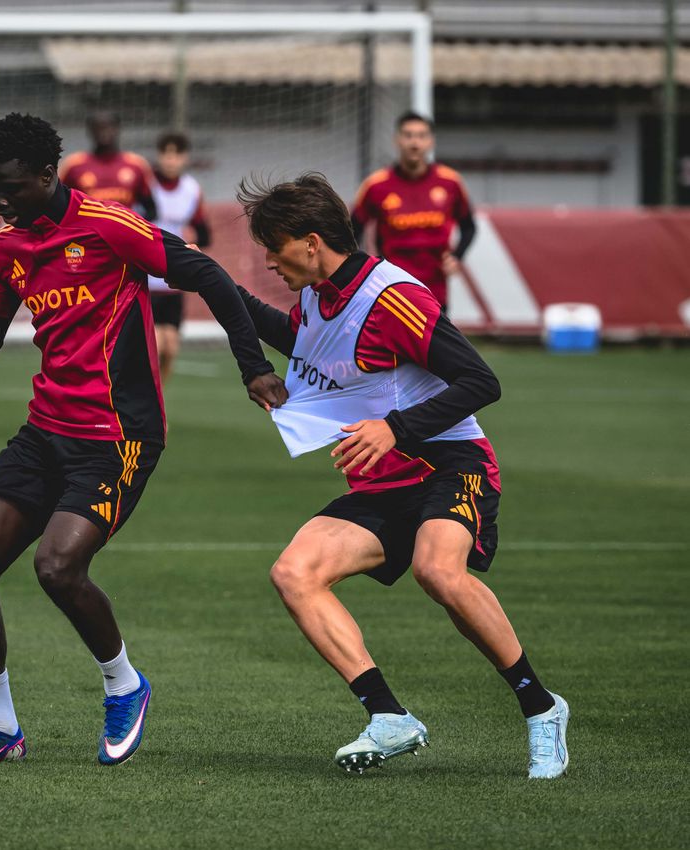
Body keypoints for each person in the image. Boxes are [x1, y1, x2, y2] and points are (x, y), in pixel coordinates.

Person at [0, 113, 286, 766]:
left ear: (47, 176)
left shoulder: (107, 225)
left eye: (11, 187)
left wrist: (254, 366)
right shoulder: (7, 247)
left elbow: (208, 276)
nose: (0, 200)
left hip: (118, 437)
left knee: (57, 566)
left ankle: (124, 686)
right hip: (45, 431)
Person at [232, 172, 568, 780]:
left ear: (311, 243)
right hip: (387, 477)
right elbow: (300, 341)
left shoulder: (393, 298)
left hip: (449, 462)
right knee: (294, 572)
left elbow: (480, 383)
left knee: (437, 570)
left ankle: (541, 708)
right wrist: (216, 290)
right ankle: (388, 716)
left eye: (273, 247)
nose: (268, 261)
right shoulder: (319, 294)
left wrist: (394, 427)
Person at [351, 111, 476, 311]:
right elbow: (351, 230)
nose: (414, 143)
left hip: (435, 290)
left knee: (432, 342)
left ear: (431, 141)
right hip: (391, 288)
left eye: (421, 136)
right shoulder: (376, 186)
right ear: (397, 140)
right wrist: (362, 268)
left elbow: (469, 227)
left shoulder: (450, 182)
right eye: (408, 135)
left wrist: (457, 256)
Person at [146, 131, 212, 384]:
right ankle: (145, 399)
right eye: (166, 153)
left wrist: (187, 248)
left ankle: (156, 398)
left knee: (170, 349)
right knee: (155, 346)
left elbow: (204, 233)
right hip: (146, 277)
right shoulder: (146, 185)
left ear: (184, 158)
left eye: (177, 154)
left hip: (173, 280)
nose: (171, 160)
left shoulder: (191, 190)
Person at [59, 110, 157, 220]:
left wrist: (133, 228)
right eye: (98, 127)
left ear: (118, 129)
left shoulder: (136, 165)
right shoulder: (73, 165)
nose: (104, 131)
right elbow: (59, 204)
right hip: (87, 235)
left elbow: (151, 210)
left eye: (109, 126)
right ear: (90, 131)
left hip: (124, 235)